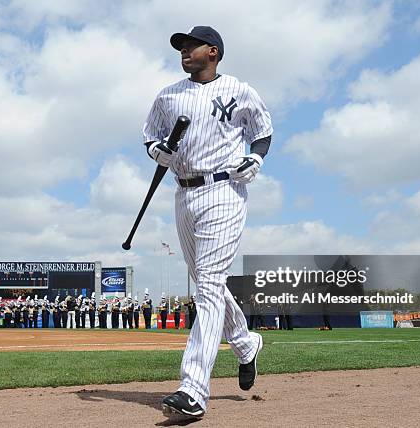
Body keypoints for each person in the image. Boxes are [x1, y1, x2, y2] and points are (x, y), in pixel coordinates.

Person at [144, 26, 271, 419]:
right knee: (207, 282)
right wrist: (157, 152)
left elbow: (262, 132)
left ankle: (193, 388)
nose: (183, 51)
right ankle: (246, 344)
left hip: (223, 190)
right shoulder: (167, 95)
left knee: (210, 284)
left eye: (190, 46)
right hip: (183, 192)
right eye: (181, 47)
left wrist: (256, 159)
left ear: (212, 51)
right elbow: (150, 135)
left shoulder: (240, 89)